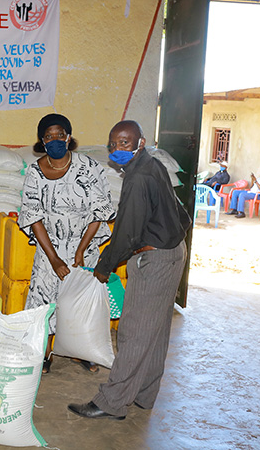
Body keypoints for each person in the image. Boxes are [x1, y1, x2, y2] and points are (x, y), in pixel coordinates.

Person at [68, 120, 190, 420]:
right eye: (113, 144)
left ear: (140, 142)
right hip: (173, 253)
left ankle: (112, 402)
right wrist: (174, 236)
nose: (117, 148)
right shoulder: (153, 166)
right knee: (156, 329)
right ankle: (145, 394)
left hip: (156, 260)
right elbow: (180, 211)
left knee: (133, 331)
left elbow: (127, 234)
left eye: (125, 142)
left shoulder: (138, 178)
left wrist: (104, 266)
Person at [18, 113, 116, 375]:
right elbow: (33, 217)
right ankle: (44, 352)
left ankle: (80, 351)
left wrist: (82, 249)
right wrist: (54, 259)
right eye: (48, 136)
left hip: (84, 246)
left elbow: (100, 211)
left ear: (68, 137)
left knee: (81, 302)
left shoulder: (89, 168)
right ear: (42, 141)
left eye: (59, 134)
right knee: (44, 301)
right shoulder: (35, 172)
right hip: (49, 248)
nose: (55, 140)